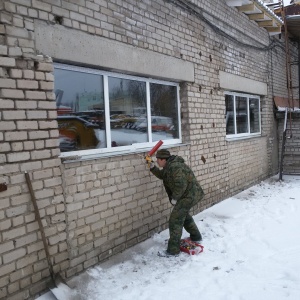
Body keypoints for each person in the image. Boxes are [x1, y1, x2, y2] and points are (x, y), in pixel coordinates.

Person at [148, 149, 204, 256]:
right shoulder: (169, 166)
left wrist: (175, 198)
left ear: (163, 159)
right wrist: (152, 168)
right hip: (188, 195)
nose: (157, 162)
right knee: (184, 215)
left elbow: (181, 184)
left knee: (175, 220)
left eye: (157, 160)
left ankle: (173, 250)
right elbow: (163, 175)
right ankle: (196, 237)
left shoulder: (175, 167)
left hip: (190, 195)